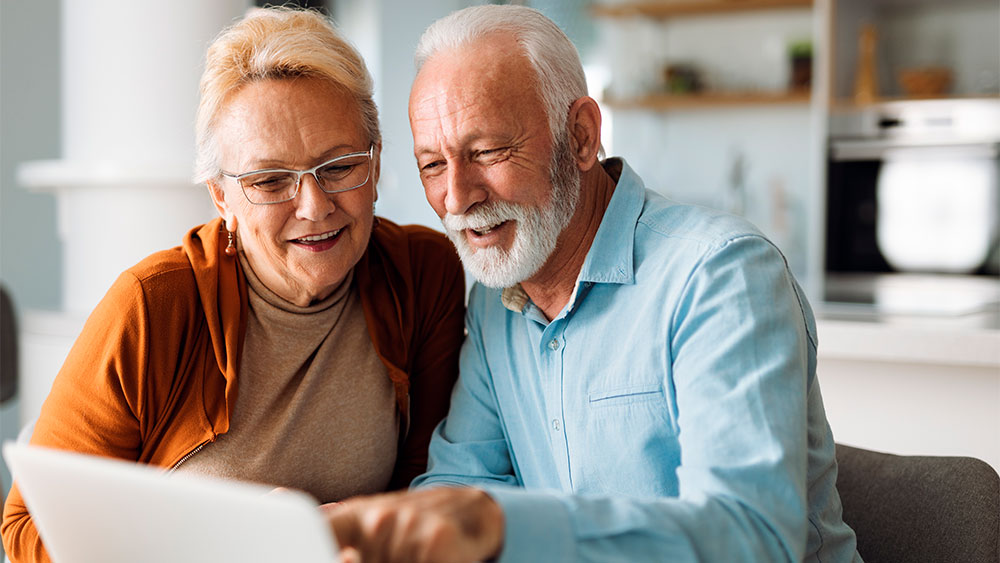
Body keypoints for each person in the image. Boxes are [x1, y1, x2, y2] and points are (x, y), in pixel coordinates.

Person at [324, 5, 862, 563]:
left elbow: (752, 537)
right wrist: (380, 531)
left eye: (487, 152)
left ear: (580, 136)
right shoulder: (494, 302)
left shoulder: (720, 275)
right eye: (433, 165)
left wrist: (498, 526)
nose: (457, 198)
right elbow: (460, 484)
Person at [1, 7, 465, 563]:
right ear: (221, 197)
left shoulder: (423, 272)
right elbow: (26, 529)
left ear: (376, 160)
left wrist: (351, 530)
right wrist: (228, 540)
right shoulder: (151, 306)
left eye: (339, 167)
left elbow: (426, 479)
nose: (314, 207)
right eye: (270, 181)